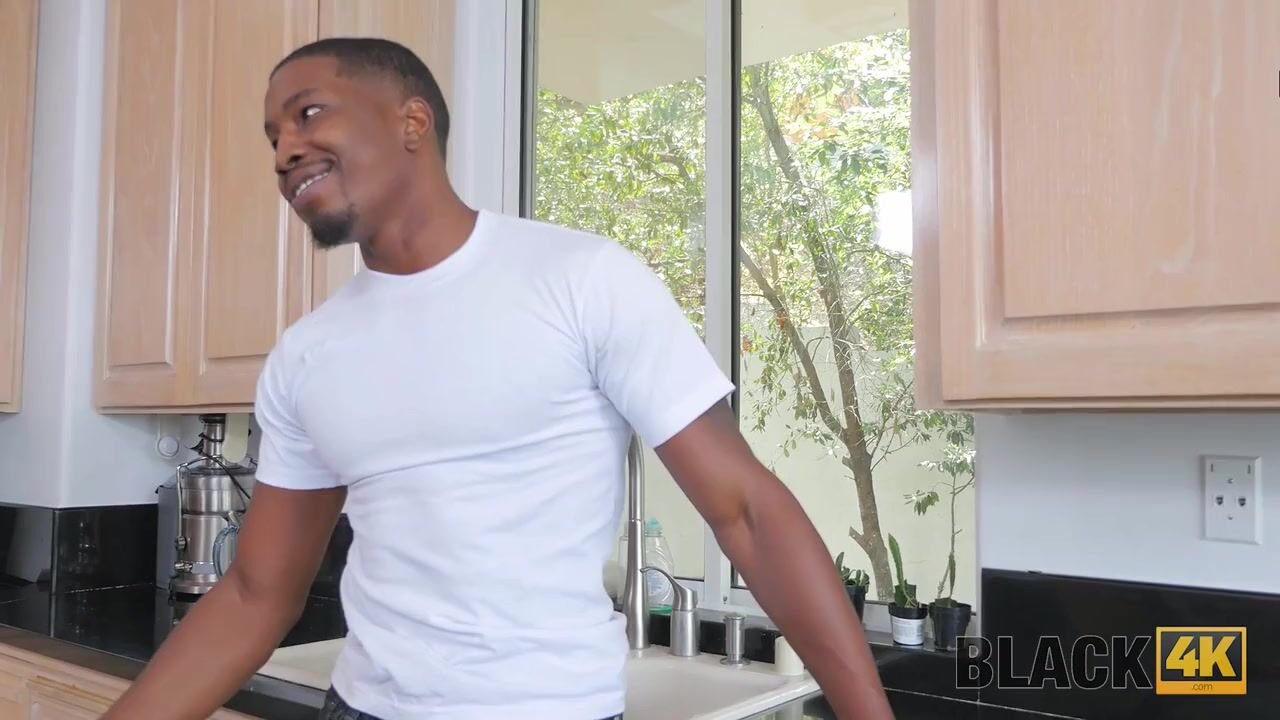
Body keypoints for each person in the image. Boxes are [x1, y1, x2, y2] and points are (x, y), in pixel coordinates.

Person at [104, 38, 894, 720]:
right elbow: (255, 593)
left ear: (412, 122)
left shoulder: (581, 280)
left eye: (308, 114)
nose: (283, 152)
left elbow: (748, 513)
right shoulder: (306, 355)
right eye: (273, 136)